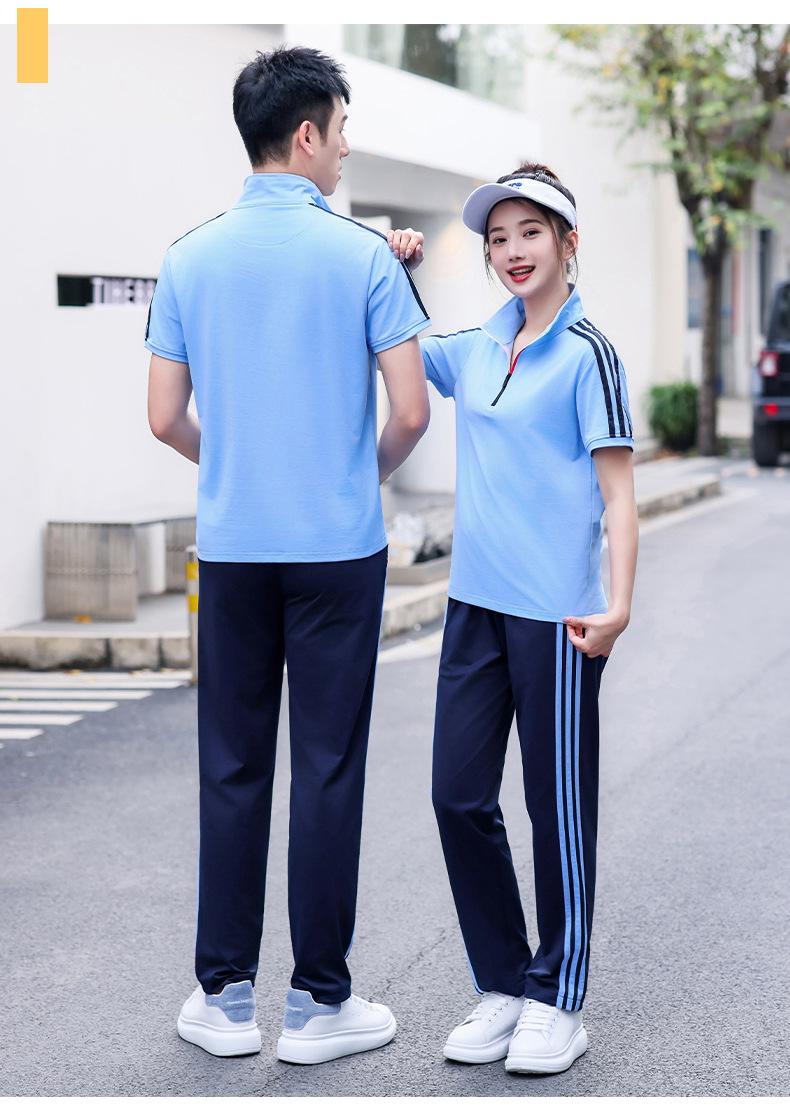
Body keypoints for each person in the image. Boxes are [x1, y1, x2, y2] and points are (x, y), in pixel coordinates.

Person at [145, 46, 431, 1066]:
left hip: (232, 548)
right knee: (327, 767)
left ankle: (223, 999)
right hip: (338, 550)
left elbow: (163, 417)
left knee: (231, 766)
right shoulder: (363, 258)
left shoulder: (188, 256)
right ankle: (317, 1006)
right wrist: (354, 474)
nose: (346, 149)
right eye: (342, 131)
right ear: (305, 134)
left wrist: (240, 464)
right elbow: (410, 412)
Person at [387, 163, 638, 1075]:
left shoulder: (589, 354)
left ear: (569, 243)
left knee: (556, 809)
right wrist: (393, 266)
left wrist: (617, 606)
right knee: (457, 795)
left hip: (559, 616)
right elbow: (402, 346)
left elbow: (620, 494)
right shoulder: (479, 345)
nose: (512, 251)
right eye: (498, 239)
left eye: (530, 232)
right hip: (474, 609)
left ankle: (557, 997)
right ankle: (502, 982)